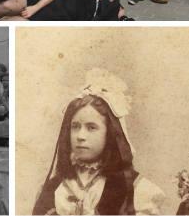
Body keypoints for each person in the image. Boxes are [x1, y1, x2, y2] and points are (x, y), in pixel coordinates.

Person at [32, 69, 164, 214]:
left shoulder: (135, 189)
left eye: (91, 127)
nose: (80, 136)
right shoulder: (55, 187)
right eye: (75, 127)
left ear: (110, 134)